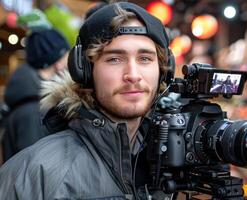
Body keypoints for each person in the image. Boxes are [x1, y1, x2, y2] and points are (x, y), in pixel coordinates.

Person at [0, 2, 174, 199]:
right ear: (84, 70)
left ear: (163, 71)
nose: (133, 75)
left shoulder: (176, 167)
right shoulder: (33, 174)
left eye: (145, 59)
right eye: (114, 59)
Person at [1, 28, 69, 161]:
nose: (69, 60)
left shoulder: (33, 100)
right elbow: (35, 169)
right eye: (66, 54)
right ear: (57, 62)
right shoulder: (33, 112)